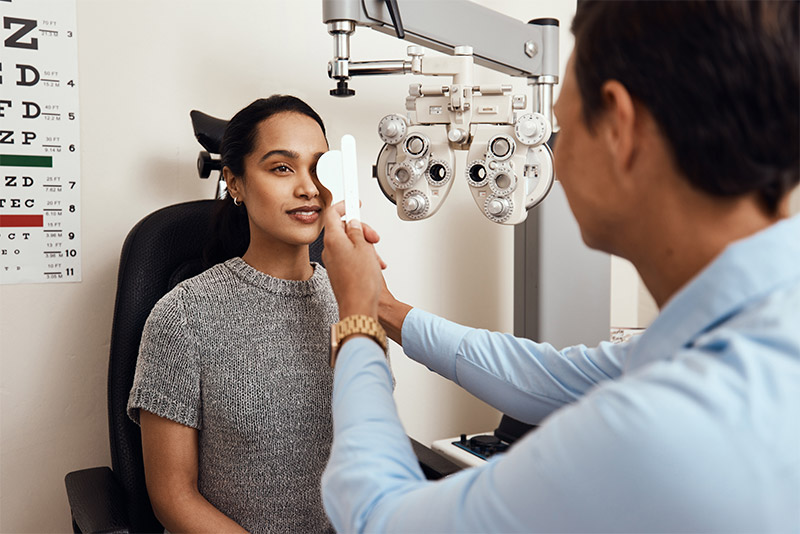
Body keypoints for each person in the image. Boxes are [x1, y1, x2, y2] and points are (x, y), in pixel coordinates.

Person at [319, 1, 800, 532]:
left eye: (561, 132)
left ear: (620, 127)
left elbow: (376, 518)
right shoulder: (760, 321)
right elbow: (546, 378)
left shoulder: (663, 431)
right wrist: (383, 306)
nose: (558, 170)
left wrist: (357, 321)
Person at [127, 95, 340, 533]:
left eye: (320, 167)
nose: (309, 188)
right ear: (235, 183)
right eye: (282, 167)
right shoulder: (182, 316)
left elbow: (376, 445)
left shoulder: (352, 300)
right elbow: (173, 497)